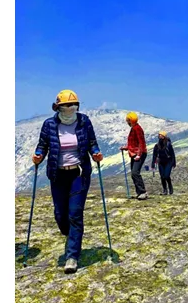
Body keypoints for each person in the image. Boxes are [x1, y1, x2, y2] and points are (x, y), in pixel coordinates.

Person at [32, 90, 104, 274]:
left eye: (74, 105)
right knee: (60, 214)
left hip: (79, 173)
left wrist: (95, 152)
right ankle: (70, 234)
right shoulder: (49, 125)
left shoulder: (84, 121)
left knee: (75, 213)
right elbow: (43, 145)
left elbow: (92, 142)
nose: (71, 109)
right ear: (58, 107)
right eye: (66, 106)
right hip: (58, 175)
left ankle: (72, 256)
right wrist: (39, 155)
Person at [120, 111, 148, 200]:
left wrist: (139, 155)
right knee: (133, 174)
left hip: (139, 154)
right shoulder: (134, 128)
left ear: (130, 120)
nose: (127, 122)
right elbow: (133, 142)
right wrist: (126, 148)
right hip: (134, 153)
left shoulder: (137, 129)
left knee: (135, 173)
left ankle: (143, 192)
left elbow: (141, 142)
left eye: (127, 120)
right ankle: (139, 192)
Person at [151, 131, 176, 195]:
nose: (160, 136)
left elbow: (172, 154)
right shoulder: (156, 146)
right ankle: (165, 190)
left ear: (164, 136)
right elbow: (154, 155)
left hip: (169, 162)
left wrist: (174, 163)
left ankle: (170, 186)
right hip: (161, 162)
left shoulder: (168, 144)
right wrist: (153, 164)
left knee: (166, 175)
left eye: (161, 135)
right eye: (159, 135)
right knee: (162, 176)